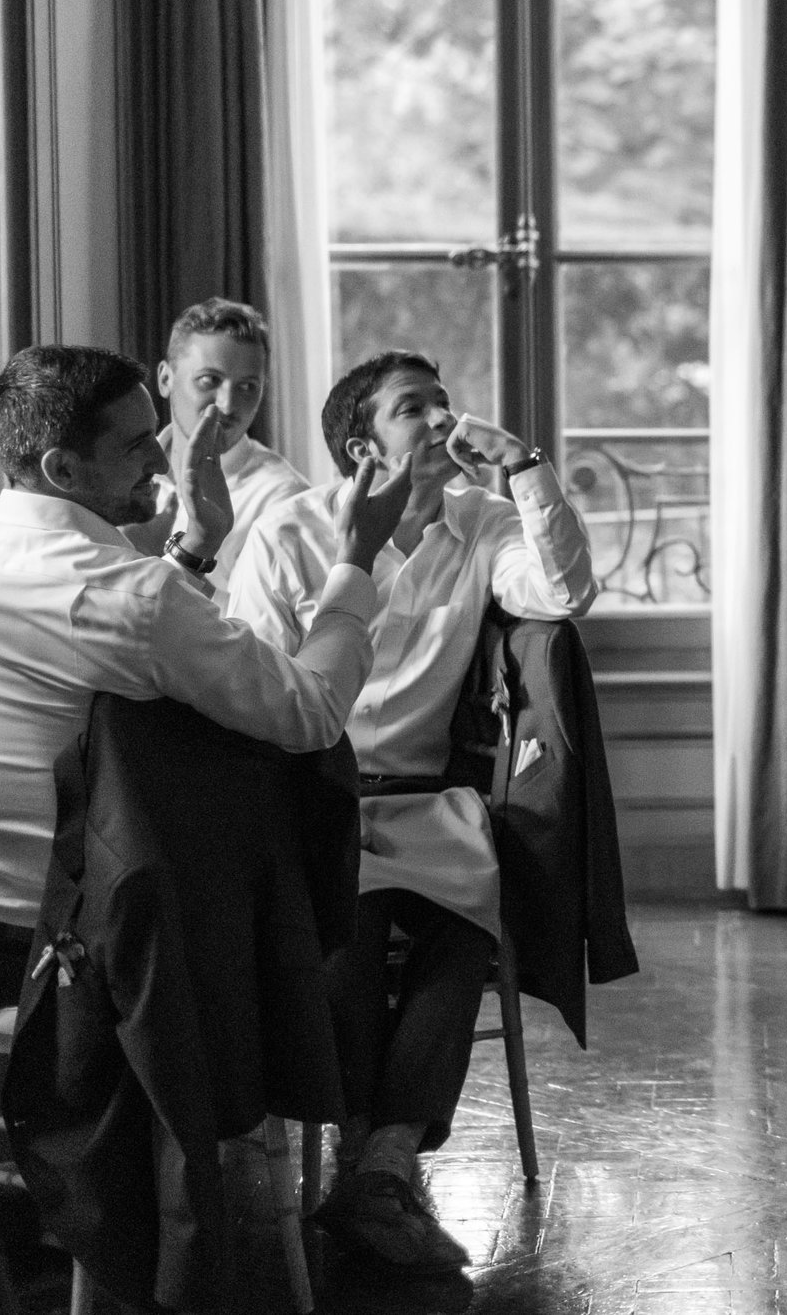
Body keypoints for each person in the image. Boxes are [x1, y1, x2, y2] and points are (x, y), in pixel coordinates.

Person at [0, 344, 410, 1018]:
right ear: (63, 468)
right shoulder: (136, 597)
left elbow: (110, 629)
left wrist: (196, 546)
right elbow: (311, 712)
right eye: (139, 444)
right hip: (81, 969)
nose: (164, 460)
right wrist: (357, 559)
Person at [229, 350, 596, 1274]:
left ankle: (383, 1161)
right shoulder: (291, 534)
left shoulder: (481, 524)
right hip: (316, 798)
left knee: (464, 929)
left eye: (443, 401)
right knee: (347, 938)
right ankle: (371, 1161)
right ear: (362, 446)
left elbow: (563, 593)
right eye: (412, 410)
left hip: (431, 803)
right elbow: (253, 689)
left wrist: (525, 469)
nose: (441, 420)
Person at [120, 298, 310, 585]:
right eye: (209, 380)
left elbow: (270, 626)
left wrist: (155, 565)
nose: (228, 404)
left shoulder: (284, 500)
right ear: (165, 379)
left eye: (248, 387)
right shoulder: (115, 472)